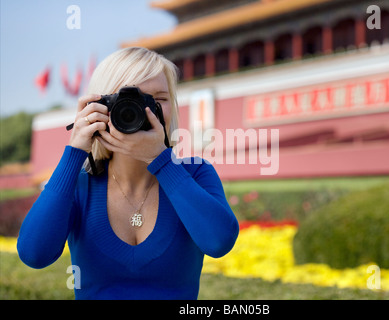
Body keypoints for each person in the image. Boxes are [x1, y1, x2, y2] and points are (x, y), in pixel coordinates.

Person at [17, 47, 239, 300]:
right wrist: (75, 151)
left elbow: (219, 242)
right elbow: (34, 254)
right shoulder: (79, 185)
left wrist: (161, 161)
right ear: (99, 106)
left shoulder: (196, 172)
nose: (144, 110)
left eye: (159, 99)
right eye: (129, 100)